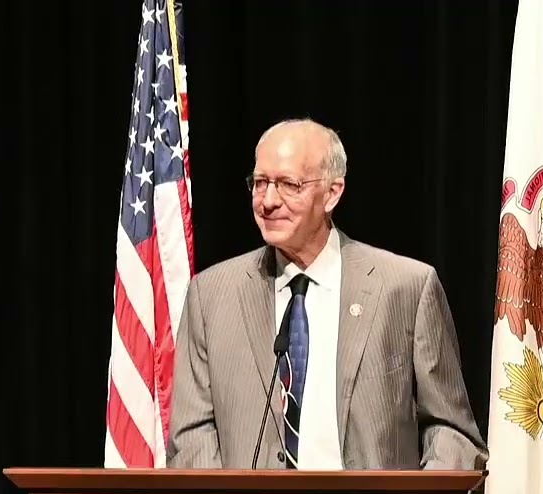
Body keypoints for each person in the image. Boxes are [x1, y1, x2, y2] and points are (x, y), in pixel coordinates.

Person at [166, 118, 488, 471]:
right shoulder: (210, 296)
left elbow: (451, 430)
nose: (268, 201)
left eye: (289, 185)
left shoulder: (405, 288)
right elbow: (192, 436)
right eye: (260, 183)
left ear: (332, 193)